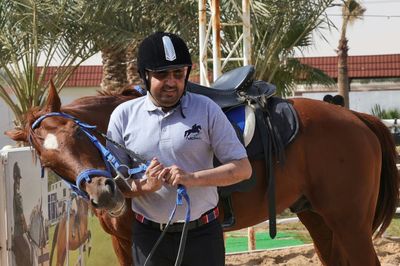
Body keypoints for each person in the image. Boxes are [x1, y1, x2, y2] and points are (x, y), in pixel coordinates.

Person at [107, 31, 252, 266]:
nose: (171, 81)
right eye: (161, 74)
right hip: (149, 238)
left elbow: (242, 169)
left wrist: (192, 178)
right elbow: (114, 186)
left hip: (203, 236)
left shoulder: (206, 109)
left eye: (178, 73)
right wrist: (144, 186)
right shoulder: (123, 116)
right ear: (145, 76)